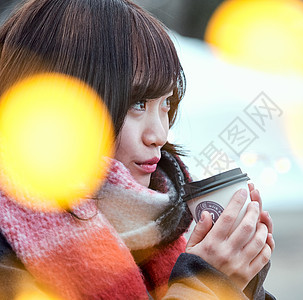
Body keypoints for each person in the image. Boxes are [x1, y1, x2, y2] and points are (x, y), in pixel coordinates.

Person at [0, 0, 275, 299]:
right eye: (138, 104)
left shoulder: (172, 217)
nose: (159, 134)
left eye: (166, 103)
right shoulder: (9, 240)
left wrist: (240, 280)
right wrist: (206, 283)